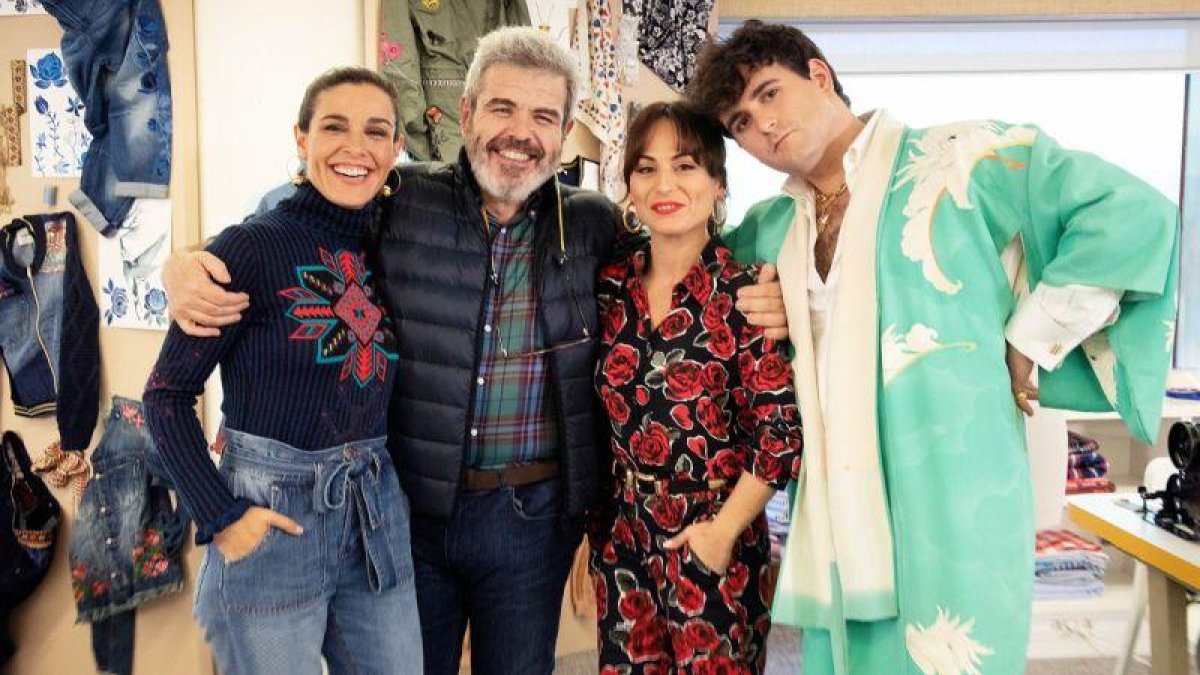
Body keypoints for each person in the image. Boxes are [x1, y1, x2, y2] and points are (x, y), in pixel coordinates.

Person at [161, 27, 790, 675]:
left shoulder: (596, 223)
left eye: (543, 116)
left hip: (534, 522)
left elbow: (681, 244)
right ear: (465, 113)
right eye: (502, 108)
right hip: (412, 516)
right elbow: (301, 219)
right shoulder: (401, 201)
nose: (521, 132)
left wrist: (770, 282)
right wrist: (188, 261)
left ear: (564, 128)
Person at [686, 20, 1179, 675]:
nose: (762, 126)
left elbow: (1134, 213)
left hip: (955, 498)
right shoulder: (771, 230)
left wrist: (1030, 337)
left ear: (820, 75)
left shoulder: (964, 158)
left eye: (770, 94)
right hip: (837, 514)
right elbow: (692, 283)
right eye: (742, 122)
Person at [143, 67, 422, 674]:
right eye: (334, 127)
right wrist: (220, 518)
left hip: (374, 511)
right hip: (272, 519)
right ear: (301, 138)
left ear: (396, 148)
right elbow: (166, 397)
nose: (356, 148)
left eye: (376, 132)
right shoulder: (251, 248)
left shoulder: (393, 242)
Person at [589, 101, 802, 673]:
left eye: (684, 166)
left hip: (713, 534)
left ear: (717, 182)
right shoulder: (610, 285)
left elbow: (780, 437)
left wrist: (723, 533)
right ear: (628, 184)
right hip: (622, 530)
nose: (664, 184)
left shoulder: (746, 291)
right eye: (646, 168)